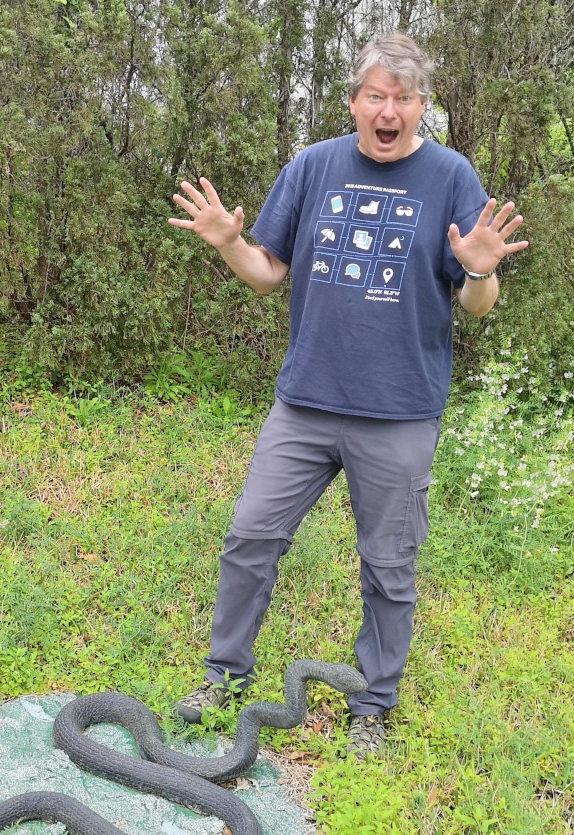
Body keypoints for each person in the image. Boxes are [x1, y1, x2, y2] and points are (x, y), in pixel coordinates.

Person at [166, 33, 529, 757]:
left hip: (398, 411)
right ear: (354, 102)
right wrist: (228, 243)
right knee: (250, 538)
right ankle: (223, 675)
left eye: (403, 99)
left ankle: (372, 702)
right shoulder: (313, 166)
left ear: (421, 106)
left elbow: (476, 305)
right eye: (375, 96)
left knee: (389, 567)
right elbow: (268, 273)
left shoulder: (450, 175)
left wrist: (480, 271)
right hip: (305, 402)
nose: (388, 111)